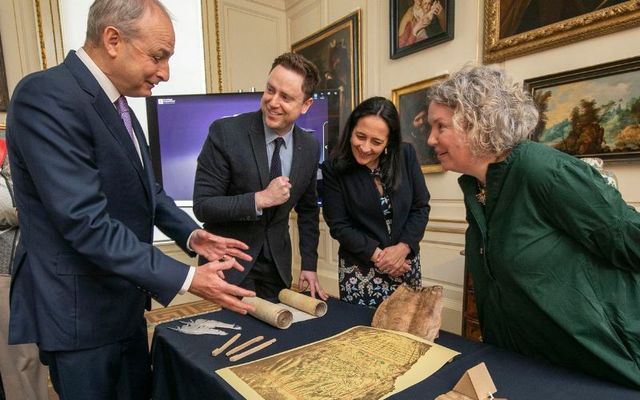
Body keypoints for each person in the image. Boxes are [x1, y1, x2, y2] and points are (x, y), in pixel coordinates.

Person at [6, 1, 256, 398]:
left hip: (124, 303)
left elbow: (149, 191)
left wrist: (193, 237)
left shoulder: (119, 104)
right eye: (158, 56)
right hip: (80, 317)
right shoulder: (47, 96)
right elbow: (85, 222)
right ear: (112, 40)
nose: (165, 72)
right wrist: (188, 278)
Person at [426, 65, 640, 388]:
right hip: (530, 369)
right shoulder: (477, 188)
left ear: (476, 121)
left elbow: (629, 238)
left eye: (440, 126)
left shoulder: (540, 169)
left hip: (601, 369)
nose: (430, 139)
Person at [193, 52, 328, 300]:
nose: (273, 102)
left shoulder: (309, 147)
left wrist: (309, 264)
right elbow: (203, 205)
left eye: (286, 97)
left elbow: (308, 211)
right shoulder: (225, 132)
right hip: (229, 265)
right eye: (270, 90)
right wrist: (259, 200)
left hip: (277, 268)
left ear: (306, 105)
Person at [321, 97, 430, 307]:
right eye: (360, 136)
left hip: (404, 263)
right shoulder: (333, 168)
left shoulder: (405, 155)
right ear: (351, 130)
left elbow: (420, 206)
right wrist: (381, 258)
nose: (365, 147)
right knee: (362, 336)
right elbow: (339, 225)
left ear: (389, 141)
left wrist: (403, 248)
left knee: (405, 333)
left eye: (376, 142)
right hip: (361, 269)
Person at [0, 139, 48, 400]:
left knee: (30, 355)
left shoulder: (10, 148)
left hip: (29, 267)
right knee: (16, 359)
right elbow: (7, 206)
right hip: (4, 272)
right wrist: (30, 210)